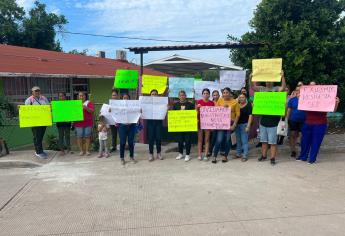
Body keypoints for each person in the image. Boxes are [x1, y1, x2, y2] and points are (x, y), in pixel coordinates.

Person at [251, 71, 286, 165]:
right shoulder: (262, 89)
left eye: (270, 81)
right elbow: (253, 87)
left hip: (274, 122)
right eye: (266, 81)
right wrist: (250, 78)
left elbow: (283, 87)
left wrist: (282, 77)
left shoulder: (276, 89)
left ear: (273, 82)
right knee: (264, 141)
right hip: (263, 121)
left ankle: (272, 158)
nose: (268, 82)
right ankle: (263, 155)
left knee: (273, 142)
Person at [297, 93, 340, 164]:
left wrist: (336, 103)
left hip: (320, 124)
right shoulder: (309, 99)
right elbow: (302, 108)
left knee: (316, 142)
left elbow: (333, 110)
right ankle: (303, 157)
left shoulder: (326, 100)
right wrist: (300, 99)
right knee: (304, 141)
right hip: (308, 123)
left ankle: (312, 159)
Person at [212, 87, 240, 164]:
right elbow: (215, 111)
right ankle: (214, 156)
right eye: (223, 93)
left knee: (228, 140)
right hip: (221, 123)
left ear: (230, 93)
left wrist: (234, 125)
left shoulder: (235, 102)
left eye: (226, 92)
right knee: (219, 139)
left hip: (230, 123)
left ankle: (225, 156)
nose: (225, 94)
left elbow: (238, 115)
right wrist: (222, 108)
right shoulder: (220, 100)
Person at [24, 86, 50, 159]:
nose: (37, 92)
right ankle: (38, 152)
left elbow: (48, 107)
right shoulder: (29, 100)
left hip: (44, 121)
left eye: (38, 90)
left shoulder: (44, 98)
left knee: (41, 136)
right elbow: (26, 111)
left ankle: (40, 150)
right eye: (35, 91)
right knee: (37, 137)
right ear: (32, 92)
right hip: (35, 122)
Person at [174, 90, 195, 162]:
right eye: (180, 95)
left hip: (188, 126)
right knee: (180, 140)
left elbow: (193, 114)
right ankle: (180, 153)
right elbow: (173, 115)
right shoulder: (175, 105)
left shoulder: (190, 104)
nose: (182, 96)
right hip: (179, 126)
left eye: (183, 95)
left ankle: (187, 154)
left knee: (187, 140)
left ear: (185, 96)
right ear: (178, 96)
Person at [286, 87, 305, 158]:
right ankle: (293, 150)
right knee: (293, 135)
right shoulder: (292, 100)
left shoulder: (306, 99)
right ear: (295, 91)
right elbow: (289, 110)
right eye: (297, 90)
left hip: (304, 120)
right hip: (293, 120)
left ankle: (303, 150)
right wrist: (287, 120)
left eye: (300, 90)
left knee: (303, 135)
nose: (299, 91)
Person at [118, 93, 137, 165]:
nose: (125, 99)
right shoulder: (119, 107)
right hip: (122, 126)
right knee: (122, 142)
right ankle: (122, 158)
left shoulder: (133, 106)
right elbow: (115, 113)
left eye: (127, 98)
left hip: (131, 126)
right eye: (124, 98)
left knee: (131, 142)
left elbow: (137, 113)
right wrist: (111, 110)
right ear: (122, 99)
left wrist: (139, 111)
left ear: (129, 99)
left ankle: (131, 157)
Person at [73, 92, 95, 156]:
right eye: (80, 96)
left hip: (88, 123)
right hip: (78, 124)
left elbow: (92, 111)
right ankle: (81, 151)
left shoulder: (88, 103)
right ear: (78, 97)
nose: (81, 97)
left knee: (87, 137)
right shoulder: (75, 103)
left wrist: (86, 108)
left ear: (85, 96)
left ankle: (87, 150)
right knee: (79, 137)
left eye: (82, 96)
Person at [197, 88, 214, 161]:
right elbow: (195, 113)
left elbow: (214, 114)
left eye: (207, 93)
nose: (205, 94)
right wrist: (197, 108)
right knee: (200, 140)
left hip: (208, 123)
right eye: (204, 93)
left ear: (209, 95)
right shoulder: (199, 102)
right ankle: (199, 155)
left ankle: (206, 155)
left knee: (207, 140)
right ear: (202, 94)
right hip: (200, 123)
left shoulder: (212, 103)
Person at [235, 94, 253, 161]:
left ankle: (245, 155)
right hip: (237, 125)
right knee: (238, 140)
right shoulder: (237, 105)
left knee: (244, 141)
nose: (241, 98)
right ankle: (238, 153)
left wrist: (248, 126)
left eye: (243, 97)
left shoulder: (248, 105)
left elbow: (250, 116)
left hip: (244, 125)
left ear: (246, 98)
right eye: (240, 97)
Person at [147, 89, 163, 161]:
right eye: (152, 94)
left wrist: (166, 107)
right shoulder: (147, 103)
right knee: (151, 139)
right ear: (150, 95)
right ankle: (151, 154)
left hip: (158, 122)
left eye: (155, 94)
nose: (154, 95)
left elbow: (164, 109)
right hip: (150, 123)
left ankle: (159, 153)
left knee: (158, 138)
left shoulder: (160, 103)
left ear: (157, 95)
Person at [208, 90, 220, 157]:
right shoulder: (211, 103)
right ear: (212, 96)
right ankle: (210, 150)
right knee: (213, 137)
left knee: (220, 137)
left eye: (216, 95)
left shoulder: (221, 101)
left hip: (221, 122)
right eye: (214, 95)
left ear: (219, 95)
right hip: (213, 123)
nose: (215, 96)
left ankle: (220, 150)